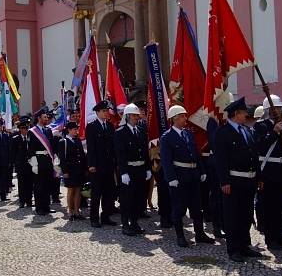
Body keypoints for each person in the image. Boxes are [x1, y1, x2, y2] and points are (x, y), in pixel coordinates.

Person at [214, 97, 262, 262]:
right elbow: (221, 160)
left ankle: (244, 245)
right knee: (232, 216)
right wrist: (224, 181)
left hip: (249, 181)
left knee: (246, 214)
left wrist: (258, 177)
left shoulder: (247, 131)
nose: (246, 115)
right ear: (236, 113)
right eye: (243, 113)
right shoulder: (223, 132)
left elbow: (254, 156)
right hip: (233, 181)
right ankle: (233, 249)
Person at [160, 105, 215, 247]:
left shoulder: (188, 134)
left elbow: (196, 154)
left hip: (193, 175)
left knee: (197, 207)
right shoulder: (167, 137)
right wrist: (171, 178)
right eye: (183, 116)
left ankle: (200, 234)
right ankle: (180, 236)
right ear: (175, 118)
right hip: (179, 176)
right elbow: (166, 160)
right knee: (179, 208)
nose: (186, 118)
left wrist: (202, 171)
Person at [253, 95, 282, 250]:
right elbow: (259, 147)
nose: (276, 111)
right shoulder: (260, 126)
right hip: (268, 171)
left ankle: (281, 236)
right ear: (267, 110)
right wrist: (274, 132)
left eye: (278, 108)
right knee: (269, 207)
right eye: (273, 108)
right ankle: (271, 239)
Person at [114, 104, 151, 236]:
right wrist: (123, 172)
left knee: (138, 198)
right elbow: (120, 154)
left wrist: (148, 168)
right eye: (134, 115)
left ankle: (134, 223)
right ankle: (125, 224)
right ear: (128, 116)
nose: (136, 118)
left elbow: (145, 152)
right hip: (128, 170)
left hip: (140, 169)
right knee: (126, 199)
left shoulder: (141, 131)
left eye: (137, 115)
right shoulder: (120, 132)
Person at [86, 100, 118, 228]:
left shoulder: (110, 126)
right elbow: (91, 147)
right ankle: (94, 218)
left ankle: (106, 217)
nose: (106, 113)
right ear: (97, 112)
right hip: (97, 166)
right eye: (104, 111)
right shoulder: (92, 126)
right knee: (96, 193)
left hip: (109, 165)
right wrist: (91, 164)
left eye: (107, 111)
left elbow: (112, 147)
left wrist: (116, 162)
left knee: (108, 193)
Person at [28, 108, 55, 215]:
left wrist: (55, 160)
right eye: (44, 117)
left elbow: (52, 147)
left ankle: (47, 206)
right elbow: (30, 150)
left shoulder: (48, 130)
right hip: (38, 161)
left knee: (48, 185)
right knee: (39, 185)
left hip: (48, 161)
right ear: (39, 118)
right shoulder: (32, 131)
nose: (46, 119)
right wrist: (34, 164)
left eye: (47, 117)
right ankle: (39, 207)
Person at [59, 121, 87, 220]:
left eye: (77, 129)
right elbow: (62, 158)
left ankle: (77, 211)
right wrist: (65, 171)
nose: (76, 131)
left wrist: (84, 169)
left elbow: (82, 156)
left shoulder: (78, 140)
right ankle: (70, 211)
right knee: (71, 191)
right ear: (69, 130)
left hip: (78, 170)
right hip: (70, 170)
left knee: (78, 190)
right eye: (75, 129)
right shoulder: (63, 142)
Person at [11, 117, 32, 208]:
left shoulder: (31, 138)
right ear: (20, 129)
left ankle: (29, 201)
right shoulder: (15, 139)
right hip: (20, 164)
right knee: (21, 184)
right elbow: (13, 152)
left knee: (30, 183)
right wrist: (14, 163)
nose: (25, 130)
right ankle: (22, 201)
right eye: (23, 128)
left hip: (30, 164)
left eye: (26, 128)